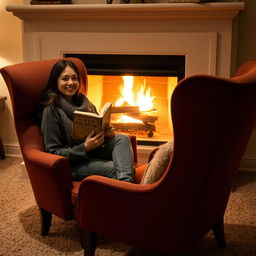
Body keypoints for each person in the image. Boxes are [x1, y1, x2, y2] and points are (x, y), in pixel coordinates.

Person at [40, 59, 135, 182]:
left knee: (122, 138)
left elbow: (96, 130)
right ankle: (128, 190)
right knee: (118, 169)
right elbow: (53, 152)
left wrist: (105, 133)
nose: (71, 82)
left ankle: (126, 185)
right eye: (65, 78)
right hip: (73, 164)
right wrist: (84, 147)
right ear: (56, 81)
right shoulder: (51, 110)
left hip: (93, 152)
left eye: (74, 78)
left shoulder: (85, 103)